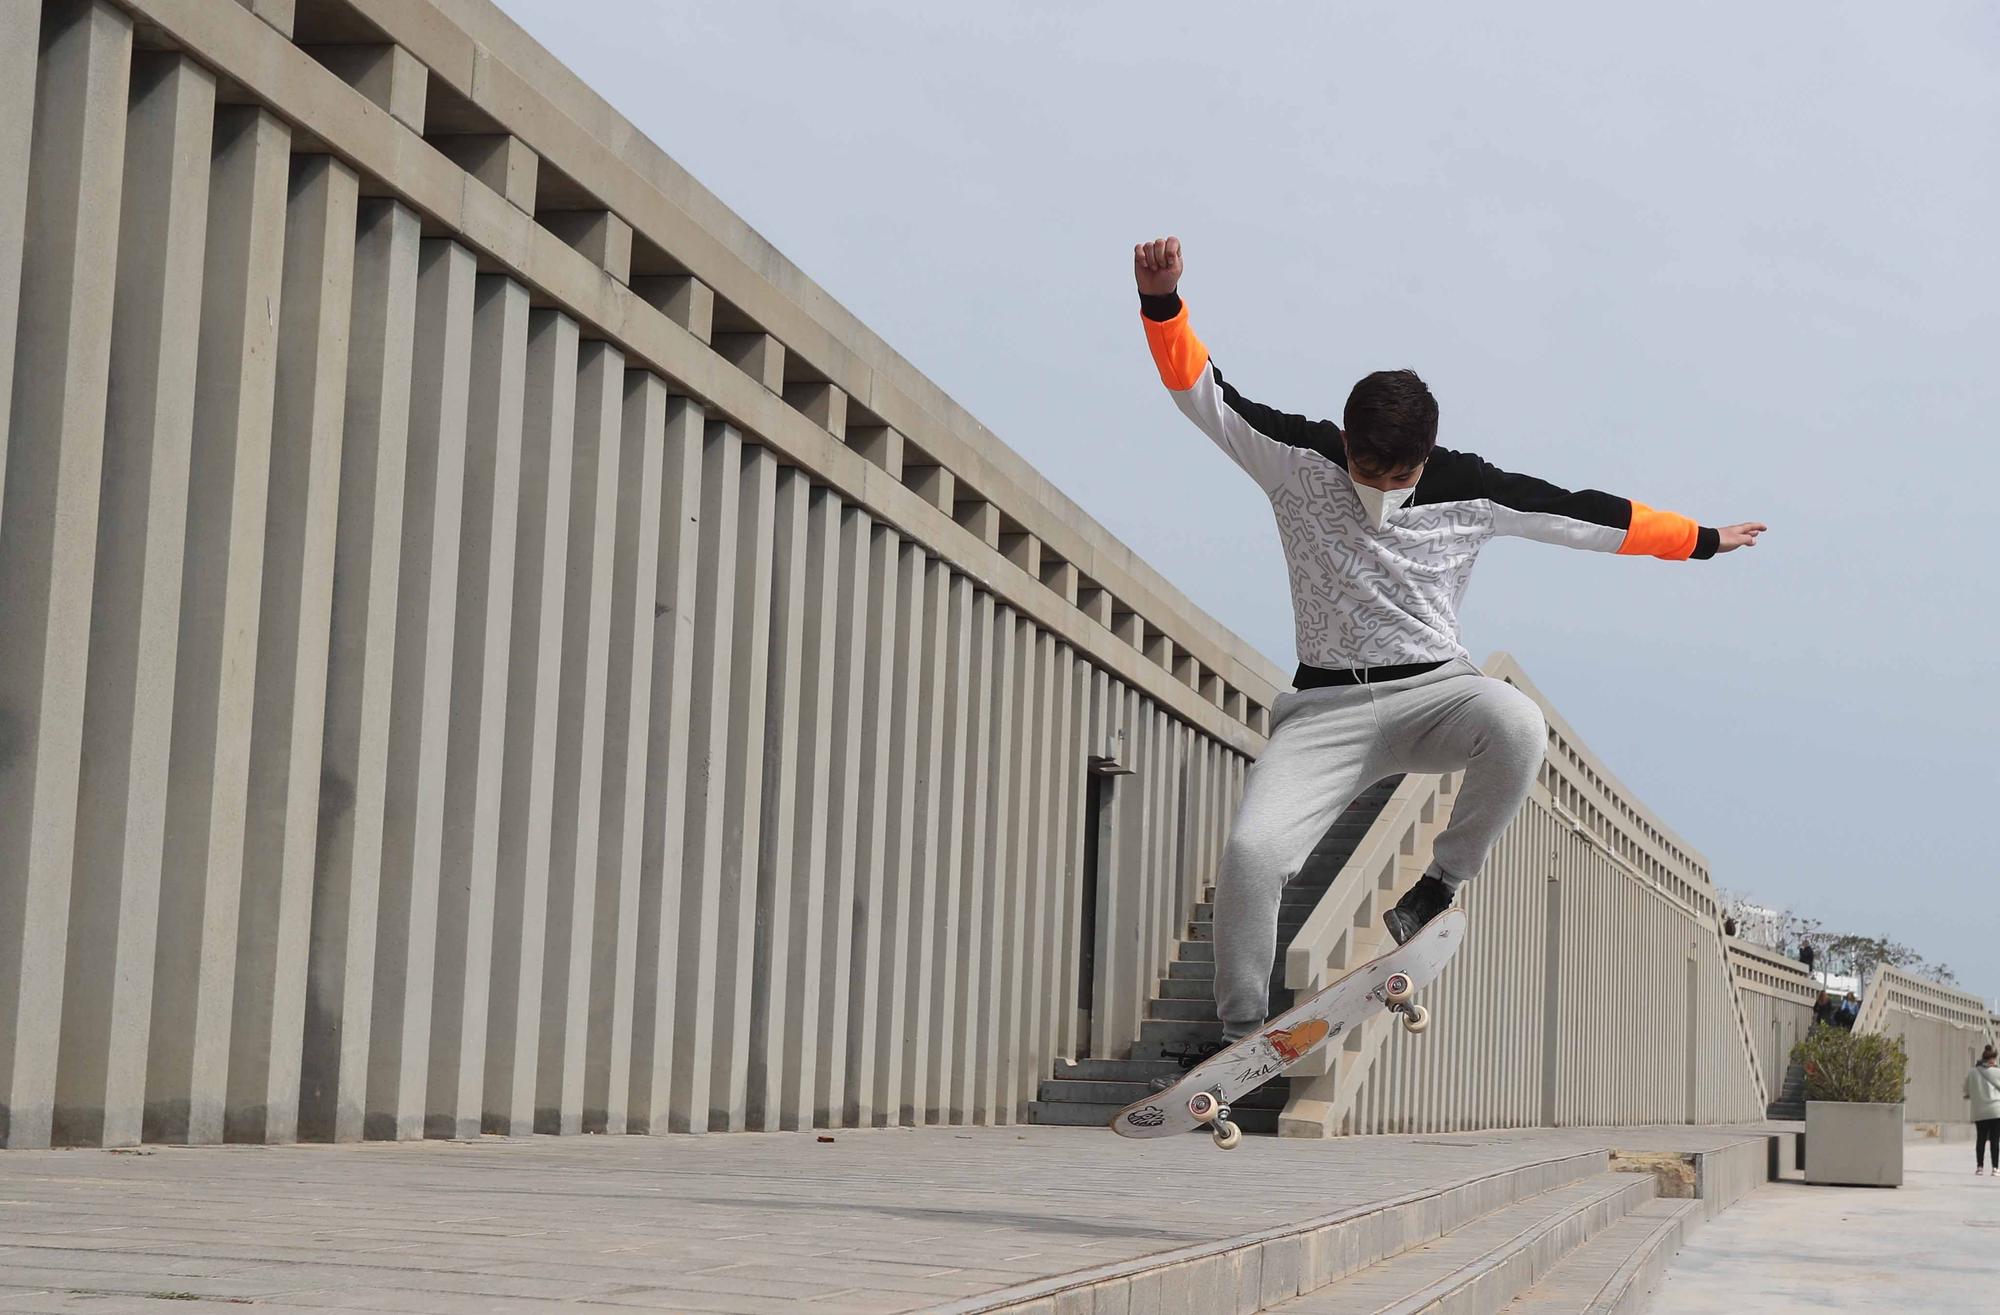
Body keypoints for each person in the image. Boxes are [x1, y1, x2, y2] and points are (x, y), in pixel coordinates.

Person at [1132, 236, 1766, 1046]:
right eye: (1365, 468)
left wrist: (1703, 539)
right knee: (1253, 853)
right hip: (1325, 707)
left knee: (1518, 722)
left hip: (1436, 692)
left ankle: (1437, 885)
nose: (1378, 489)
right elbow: (1203, 395)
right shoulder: (1295, 457)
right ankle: (1242, 1034)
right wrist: (1163, 305)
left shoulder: (1470, 488)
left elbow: (1591, 516)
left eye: (1397, 477)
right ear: (1346, 440)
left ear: (1425, 458)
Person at [1967, 1045, 2000, 1175]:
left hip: (1980, 1111)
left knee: (1980, 1139)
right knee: (1995, 1140)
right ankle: (1995, 1168)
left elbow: (1966, 1089)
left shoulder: (1972, 1072)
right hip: (1996, 1111)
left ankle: (1980, 1167)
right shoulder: (1997, 1072)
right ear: (1992, 1059)